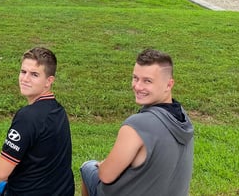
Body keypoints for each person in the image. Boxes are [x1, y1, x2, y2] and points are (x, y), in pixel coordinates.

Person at [0, 47, 74, 196]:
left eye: (34, 74)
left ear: (48, 81)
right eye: (23, 72)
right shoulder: (59, 111)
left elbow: (1, 173)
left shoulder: (27, 117)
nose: (25, 79)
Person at [80, 49, 194, 196]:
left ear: (168, 85)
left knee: (88, 168)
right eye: (135, 78)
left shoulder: (138, 125)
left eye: (147, 81)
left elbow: (105, 175)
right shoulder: (183, 119)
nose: (138, 86)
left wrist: (104, 165)